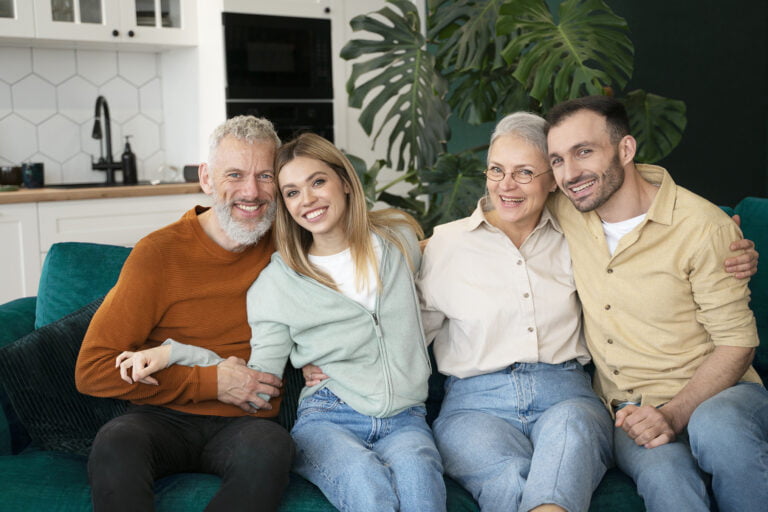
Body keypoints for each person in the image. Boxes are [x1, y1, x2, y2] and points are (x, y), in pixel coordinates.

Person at [118, 133, 447, 512]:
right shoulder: (277, 282)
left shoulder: (399, 241)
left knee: (424, 493)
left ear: (344, 181)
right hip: (328, 418)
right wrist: (176, 353)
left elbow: (444, 282)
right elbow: (259, 383)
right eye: (291, 192)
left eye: (317, 182)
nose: (307, 199)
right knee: (367, 486)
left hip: (406, 418)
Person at [545, 95, 768, 512]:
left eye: (584, 152)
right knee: (666, 478)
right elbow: (503, 205)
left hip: (723, 394)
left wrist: (675, 413)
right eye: (557, 160)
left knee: (717, 428)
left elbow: (738, 343)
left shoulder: (703, 228)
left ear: (625, 150)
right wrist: (406, 248)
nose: (570, 173)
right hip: (631, 408)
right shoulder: (566, 209)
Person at [74, 115, 295, 512]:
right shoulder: (158, 253)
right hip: (160, 419)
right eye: (235, 175)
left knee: (273, 448)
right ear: (207, 178)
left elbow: (368, 248)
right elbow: (93, 369)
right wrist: (210, 382)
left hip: (247, 422)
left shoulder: (291, 243)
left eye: (265, 176)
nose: (252, 191)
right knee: (115, 442)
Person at [415, 112, 613, 512]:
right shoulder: (447, 244)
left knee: (571, 433)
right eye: (496, 170)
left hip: (566, 396)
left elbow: (640, 201)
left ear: (553, 176)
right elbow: (408, 332)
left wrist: (714, 235)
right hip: (473, 407)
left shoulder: (581, 234)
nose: (505, 186)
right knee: (509, 481)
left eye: (524, 172)